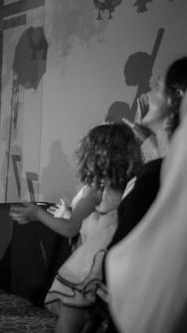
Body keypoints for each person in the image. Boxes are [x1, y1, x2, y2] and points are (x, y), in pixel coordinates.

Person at [11, 123, 142, 333]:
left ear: (93, 155)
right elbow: (101, 225)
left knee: (68, 326)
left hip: (88, 269)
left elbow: (71, 229)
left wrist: (38, 214)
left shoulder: (94, 192)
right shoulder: (132, 186)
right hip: (114, 267)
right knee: (94, 322)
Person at [106, 57, 187, 333]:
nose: (147, 94)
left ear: (177, 96)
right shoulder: (156, 169)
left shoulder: (156, 176)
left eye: (156, 85)